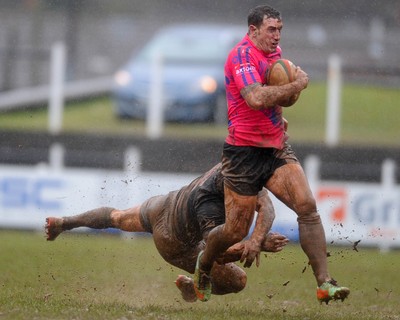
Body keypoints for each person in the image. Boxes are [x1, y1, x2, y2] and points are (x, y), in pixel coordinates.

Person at [194, 5, 350, 305]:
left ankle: (324, 283)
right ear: (253, 30)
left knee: (307, 206)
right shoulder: (241, 55)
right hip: (243, 154)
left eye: (279, 30)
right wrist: (297, 85)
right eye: (271, 30)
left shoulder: (274, 56)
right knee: (234, 230)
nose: (277, 36)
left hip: (276, 148)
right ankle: (204, 264)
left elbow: (276, 97)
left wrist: (286, 105)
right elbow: (254, 97)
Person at [45, 163, 289, 303]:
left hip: (163, 204)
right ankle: (193, 287)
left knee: (117, 217)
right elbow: (218, 254)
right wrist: (256, 245)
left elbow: (266, 206)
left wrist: (256, 239)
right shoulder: (210, 205)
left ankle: (63, 223)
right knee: (238, 281)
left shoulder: (238, 168)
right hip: (174, 239)